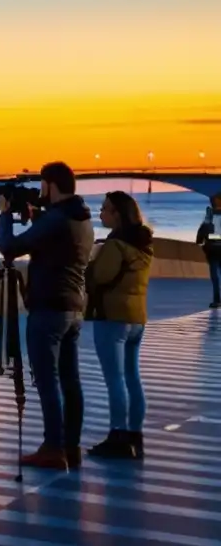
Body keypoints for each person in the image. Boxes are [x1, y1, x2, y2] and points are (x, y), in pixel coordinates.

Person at [0, 161, 94, 470]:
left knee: (48, 381)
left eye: (42, 186)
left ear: (50, 185)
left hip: (49, 309)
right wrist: (35, 217)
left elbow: (9, 247)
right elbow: (53, 244)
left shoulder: (56, 220)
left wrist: (4, 214)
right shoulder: (81, 218)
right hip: (73, 309)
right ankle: (71, 446)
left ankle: (53, 448)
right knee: (70, 380)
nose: (40, 192)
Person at [86, 191, 153, 459]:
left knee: (114, 379)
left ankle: (118, 436)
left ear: (118, 215)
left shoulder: (115, 245)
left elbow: (100, 277)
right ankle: (135, 435)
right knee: (132, 377)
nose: (100, 213)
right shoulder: (143, 243)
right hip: (137, 318)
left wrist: (90, 266)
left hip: (112, 317)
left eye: (105, 209)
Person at [195, 194, 221, 309]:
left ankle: (217, 300)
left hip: (213, 249)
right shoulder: (209, 214)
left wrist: (200, 241)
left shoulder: (209, 215)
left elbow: (203, 230)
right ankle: (217, 300)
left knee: (215, 276)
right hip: (214, 248)